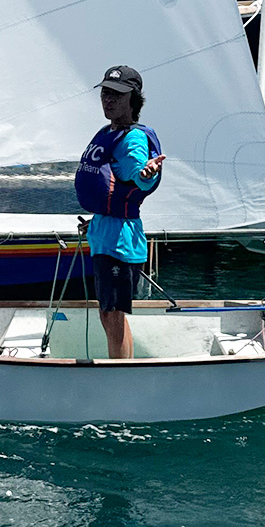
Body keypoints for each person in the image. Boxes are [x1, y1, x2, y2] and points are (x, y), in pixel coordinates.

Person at [74, 66, 165, 360]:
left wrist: (147, 173)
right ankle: (122, 366)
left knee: (113, 314)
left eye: (117, 94)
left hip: (121, 241)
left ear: (133, 100)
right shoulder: (108, 133)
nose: (108, 99)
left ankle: (120, 373)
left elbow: (137, 174)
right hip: (104, 233)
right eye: (105, 92)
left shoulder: (133, 139)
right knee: (108, 313)